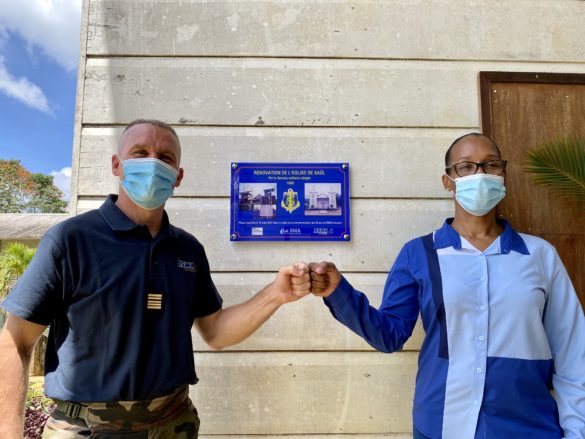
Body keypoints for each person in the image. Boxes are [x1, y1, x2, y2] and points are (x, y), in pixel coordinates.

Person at [0, 119, 312, 438]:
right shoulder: (70, 240)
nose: (152, 163)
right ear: (117, 165)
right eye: (139, 152)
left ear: (178, 176)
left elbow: (216, 331)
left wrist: (275, 294)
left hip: (173, 424)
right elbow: (16, 340)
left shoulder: (188, 249)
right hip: (86, 428)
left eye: (165, 157)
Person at [309, 133, 585, 439]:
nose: (480, 174)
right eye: (466, 167)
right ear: (448, 181)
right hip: (441, 424)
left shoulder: (539, 255)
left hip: (527, 425)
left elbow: (573, 351)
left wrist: (577, 430)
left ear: (503, 174)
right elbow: (389, 336)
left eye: (491, 165)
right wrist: (338, 292)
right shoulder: (419, 254)